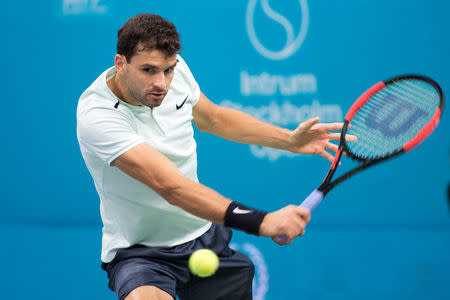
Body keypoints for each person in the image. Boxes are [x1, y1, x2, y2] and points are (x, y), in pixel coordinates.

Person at [77, 13, 350, 300]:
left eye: (167, 69)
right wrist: (261, 221)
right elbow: (171, 186)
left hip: (203, 239)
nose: (162, 83)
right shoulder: (98, 115)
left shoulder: (177, 70)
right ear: (120, 63)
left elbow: (214, 119)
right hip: (143, 253)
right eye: (149, 70)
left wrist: (290, 140)